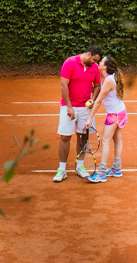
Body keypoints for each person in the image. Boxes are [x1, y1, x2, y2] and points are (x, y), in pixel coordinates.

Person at [53, 45, 102, 182]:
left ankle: (80, 167)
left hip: (85, 109)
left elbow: (97, 86)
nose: (95, 63)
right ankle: (61, 169)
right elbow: (63, 85)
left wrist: (93, 98)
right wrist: (69, 106)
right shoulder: (70, 63)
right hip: (69, 107)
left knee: (82, 137)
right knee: (65, 137)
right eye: (94, 60)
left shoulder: (95, 68)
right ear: (88, 54)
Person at [85, 56, 127, 183]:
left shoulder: (108, 80)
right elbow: (98, 98)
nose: (99, 63)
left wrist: (88, 119)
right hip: (121, 112)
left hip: (114, 114)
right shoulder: (111, 78)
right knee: (117, 139)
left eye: (101, 62)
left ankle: (101, 174)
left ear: (105, 67)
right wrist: (93, 100)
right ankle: (116, 169)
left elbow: (98, 102)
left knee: (105, 140)